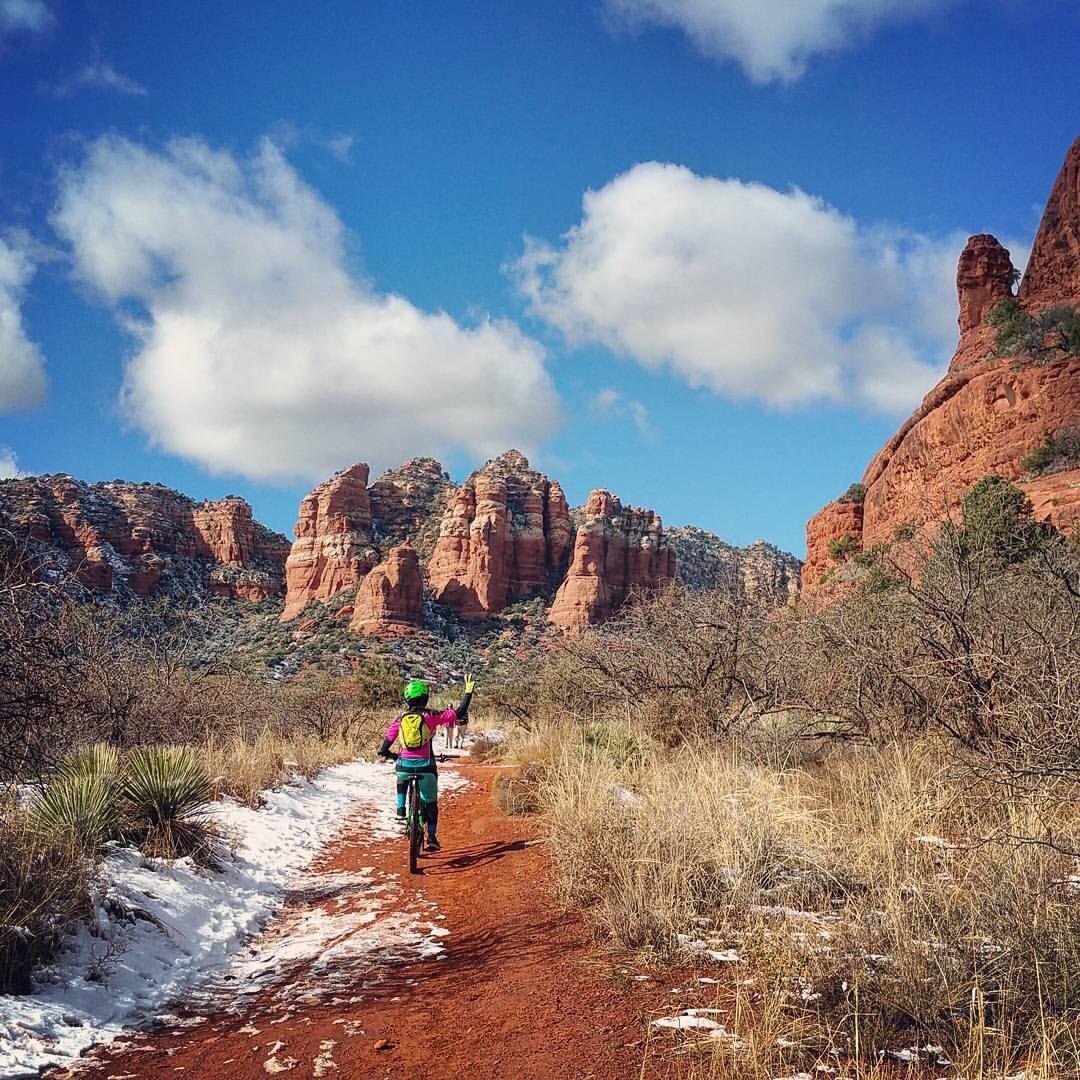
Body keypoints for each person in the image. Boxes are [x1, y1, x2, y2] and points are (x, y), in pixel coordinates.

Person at [377, 675, 474, 851]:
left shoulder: (400, 719)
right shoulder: (431, 715)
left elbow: (385, 744)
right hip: (426, 766)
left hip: (405, 765)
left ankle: (400, 808)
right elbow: (459, 713)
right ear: (426, 697)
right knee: (431, 802)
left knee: (401, 773)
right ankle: (432, 837)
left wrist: (388, 754)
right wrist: (468, 692)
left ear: (407, 699)